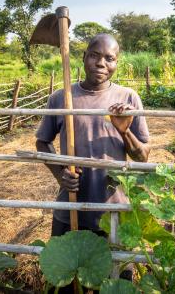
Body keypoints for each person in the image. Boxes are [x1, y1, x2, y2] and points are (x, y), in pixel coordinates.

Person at [35, 34, 150, 287]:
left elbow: (143, 155)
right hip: (71, 206)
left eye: (109, 58)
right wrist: (60, 174)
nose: (101, 63)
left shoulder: (128, 99)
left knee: (114, 282)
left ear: (117, 63)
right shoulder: (62, 98)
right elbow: (42, 142)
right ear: (84, 57)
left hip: (113, 211)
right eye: (95, 55)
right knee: (64, 281)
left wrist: (124, 129)